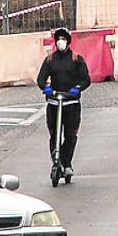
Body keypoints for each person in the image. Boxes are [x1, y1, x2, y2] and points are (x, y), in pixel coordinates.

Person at [37, 26, 91, 177]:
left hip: (71, 105)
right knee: (54, 135)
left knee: (70, 135)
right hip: (55, 104)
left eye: (63, 39)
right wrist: (46, 88)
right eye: (58, 39)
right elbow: (41, 79)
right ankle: (56, 162)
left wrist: (77, 89)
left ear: (68, 41)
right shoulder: (50, 60)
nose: (60, 42)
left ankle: (66, 163)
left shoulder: (76, 59)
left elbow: (86, 79)